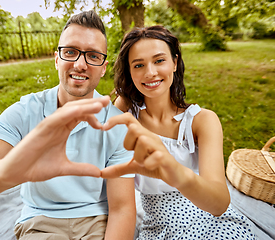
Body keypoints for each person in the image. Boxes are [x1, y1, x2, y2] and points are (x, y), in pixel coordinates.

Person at [0, 10, 136, 240]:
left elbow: (122, 209)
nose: (80, 64)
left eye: (93, 56)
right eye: (70, 52)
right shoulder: (25, 112)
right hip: (41, 223)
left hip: (97, 220)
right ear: (57, 59)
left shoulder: (117, 124)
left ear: (104, 67)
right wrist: (3, 173)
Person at [100, 25, 256, 239]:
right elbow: (98, 144)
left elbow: (219, 203)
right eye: (138, 65)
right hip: (158, 227)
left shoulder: (202, 121)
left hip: (211, 221)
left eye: (159, 60)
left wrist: (174, 171)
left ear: (174, 62)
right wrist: (124, 98)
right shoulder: (127, 119)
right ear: (129, 72)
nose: (150, 72)